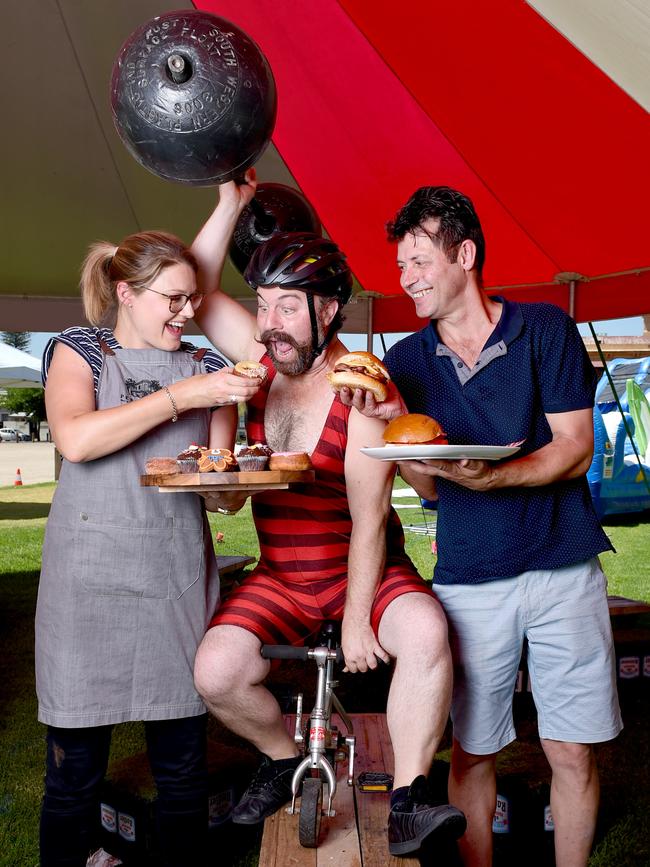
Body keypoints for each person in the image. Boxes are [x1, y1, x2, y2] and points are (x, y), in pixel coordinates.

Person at [191, 175, 467, 857]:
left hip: (359, 571)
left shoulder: (364, 383)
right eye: (263, 305)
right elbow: (194, 292)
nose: (270, 322)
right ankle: (286, 758)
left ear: (329, 308)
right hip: (284, 574)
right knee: (215, 671)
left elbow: (372, 518)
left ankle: (409, 799)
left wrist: (355, 616)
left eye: (289, 306)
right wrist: (228, 204)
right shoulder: (261, 361)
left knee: (428, 631)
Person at [349, 185, 622, 867]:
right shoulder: (405, 362)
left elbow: (575, 447)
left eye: (418, 261)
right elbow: (430, 485)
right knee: (472, 750)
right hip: (471, 575)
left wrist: (497, 476)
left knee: (570, 746)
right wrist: (390, 423)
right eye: (401, 265)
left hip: (563, 565)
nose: (405, 278)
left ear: (464, 253)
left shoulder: (546, 329)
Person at [36, 229, 264, 867]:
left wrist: (231, 481)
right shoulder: (76, 354)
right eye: (172, 299)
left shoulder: (210, 371)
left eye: (192, 300)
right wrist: (178, 398)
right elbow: (76, 440)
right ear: (126, 292)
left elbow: (222, 491)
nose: (187, 313)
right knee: (74, 774)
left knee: (183, 769)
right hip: (87, 587)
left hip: (172, 583)